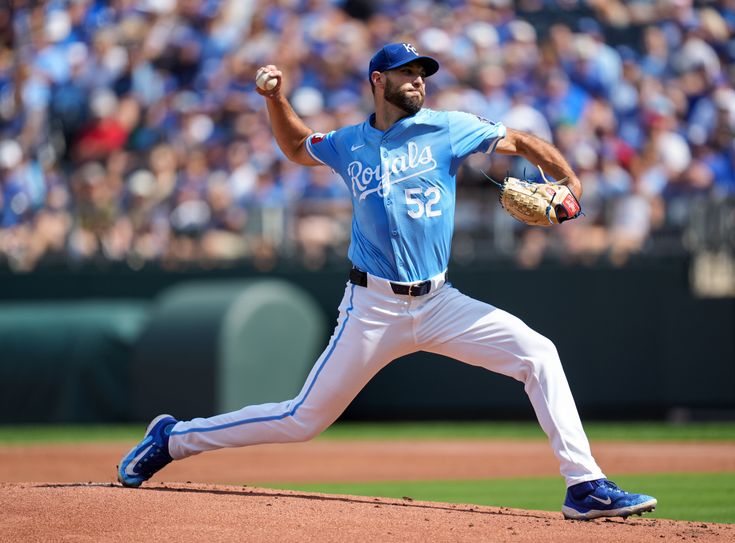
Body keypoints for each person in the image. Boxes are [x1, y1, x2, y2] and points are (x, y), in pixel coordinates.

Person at [118, 43, 657, 521]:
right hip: (371, 308)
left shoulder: (448, 126)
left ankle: (584, 486)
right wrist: (275, 100)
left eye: (422, 72)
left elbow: (518, 139)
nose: (418, 80)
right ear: (378, 81)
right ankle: (173, 438)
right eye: (406, 72)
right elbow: (296, 146)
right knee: (301, 420)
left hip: (440, 301)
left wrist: (568, 178)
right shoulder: (349, 142)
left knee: (538, 354)